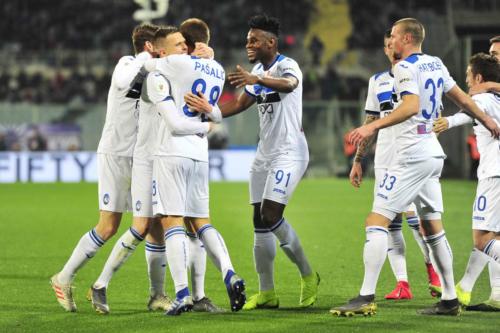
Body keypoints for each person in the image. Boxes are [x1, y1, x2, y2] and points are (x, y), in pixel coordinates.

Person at [330, 17, 500, 317]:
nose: (390, 41)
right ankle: (449, 299)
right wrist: (486, 120)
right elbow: (461, 97)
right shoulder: (434, 63)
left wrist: (371, 129)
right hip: (432, 153)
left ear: (407, 38)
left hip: (409, 154)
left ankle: (365, 296)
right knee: (433, 229)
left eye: (394, 36)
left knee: (376, 221)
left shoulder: (405, 68)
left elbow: (410, 106)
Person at [185, 14, 319, 310]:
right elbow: (240, 104)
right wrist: (209, 111)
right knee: (259, 222)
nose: (248, 44)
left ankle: (309, 275)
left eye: (254, 40)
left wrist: (256, 78)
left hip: (290, 152)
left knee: (272, 215)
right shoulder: (257, 70)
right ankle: (267, 292)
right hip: (264, 154)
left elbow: (289, 84)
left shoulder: (286, 65)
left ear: (271, 42)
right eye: (247, 40)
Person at [50, 24, 158, 312]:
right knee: (109, 226)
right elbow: (124, 82)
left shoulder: (158, 69)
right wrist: (150, 61)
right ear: (149, 46)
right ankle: (64, 277)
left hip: (142, 157)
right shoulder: (127, 62)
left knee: (150, 223)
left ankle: (156, 294)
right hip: (115, 152)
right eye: (159, 44)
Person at [144, 18, 246, 315]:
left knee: (172, 221)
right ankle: (229, 271)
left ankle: (183, 294)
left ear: (186, 45)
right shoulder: (215, 68)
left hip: (172, 152)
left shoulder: (174, 64)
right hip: (200, 156)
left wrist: (158, 54)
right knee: (201, 222)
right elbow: (216, 114)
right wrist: (207, 122)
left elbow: (150, 63)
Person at [87, 26, 188, 315]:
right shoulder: (149, 73)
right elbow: (126, 76)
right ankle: (101, 283)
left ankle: (158, 294)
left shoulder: (171, 70)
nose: (185, 48)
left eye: (186, 43)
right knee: (143, 226)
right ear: (159, 49)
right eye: (178, 44)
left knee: (158, 227)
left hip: (164, 156)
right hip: (147, 158)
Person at [349, 30, 441, 300]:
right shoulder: (376, 81)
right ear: (385, 49)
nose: (391, 47)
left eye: (394, 42)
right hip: (385, 159)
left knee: (418, 222)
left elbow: (431, 111)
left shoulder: (415, 74)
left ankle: (432, 270)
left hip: (410, 156)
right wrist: (358, 160)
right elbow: (370, 122)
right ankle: (403, 283)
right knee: (390, 225)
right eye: (387, 44)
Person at [434, 52, 500, 312]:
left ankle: (465, 287)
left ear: (479, 77)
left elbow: (471, 111)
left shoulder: (482, 98)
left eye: (468, 78)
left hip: (494, 176)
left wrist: (447, 121)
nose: (467, 84)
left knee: (482, 240)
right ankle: (475, 289)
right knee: (495, 234)